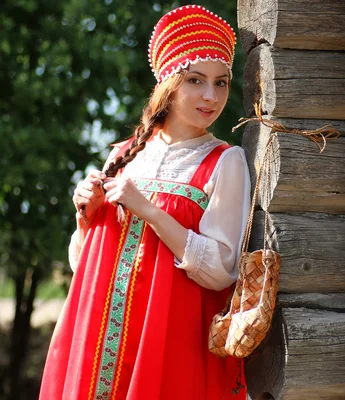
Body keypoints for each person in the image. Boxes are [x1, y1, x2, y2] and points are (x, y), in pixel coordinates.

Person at [40, 5, 250, 399]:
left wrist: (149, 211)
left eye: (221, 83)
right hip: (97, 336)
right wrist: (85, 218)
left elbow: (222, 269)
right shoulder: (122, 155)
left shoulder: (225, 161)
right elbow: (83, 264)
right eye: (196, 80)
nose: (211, 96)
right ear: (169, 84)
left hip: (171, 341)